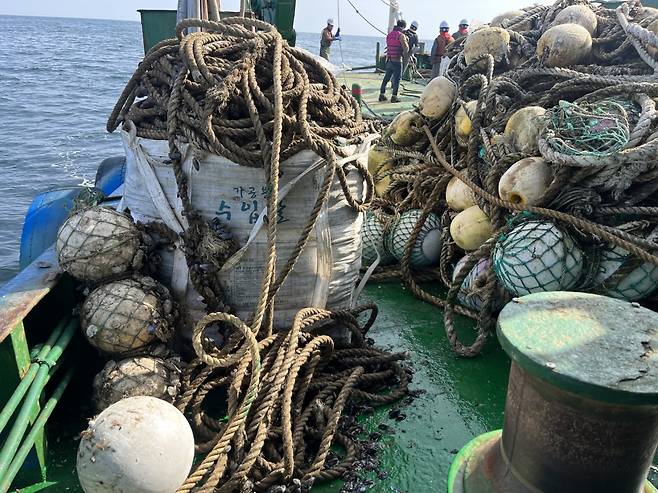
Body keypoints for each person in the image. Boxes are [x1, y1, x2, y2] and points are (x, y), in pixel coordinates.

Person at [379, 19, 410, 103]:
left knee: (386, 78)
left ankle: (381, 94)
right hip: (397, 60)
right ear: (403, 27)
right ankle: (394, 97)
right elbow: (406, 48)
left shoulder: (389, 35)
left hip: (389, 59)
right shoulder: (401, 35)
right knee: (397, 79)